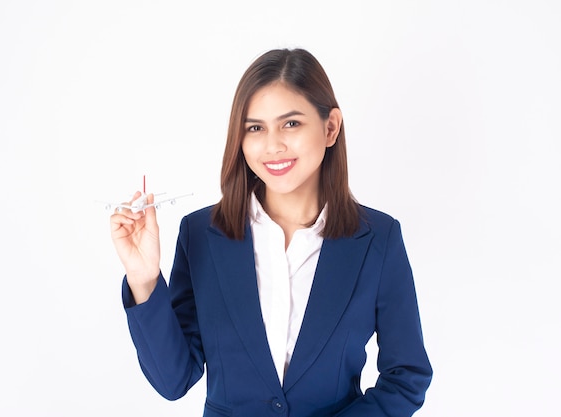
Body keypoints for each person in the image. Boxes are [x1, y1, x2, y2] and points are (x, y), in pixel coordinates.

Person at [110, 48, 432, 417]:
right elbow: (173, 381)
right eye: (255, 128)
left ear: (330, 128)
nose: (272, 145)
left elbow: (407, 377)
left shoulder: (378, 239)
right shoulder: (200, 235)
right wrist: (144, 280)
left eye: (291, 124)